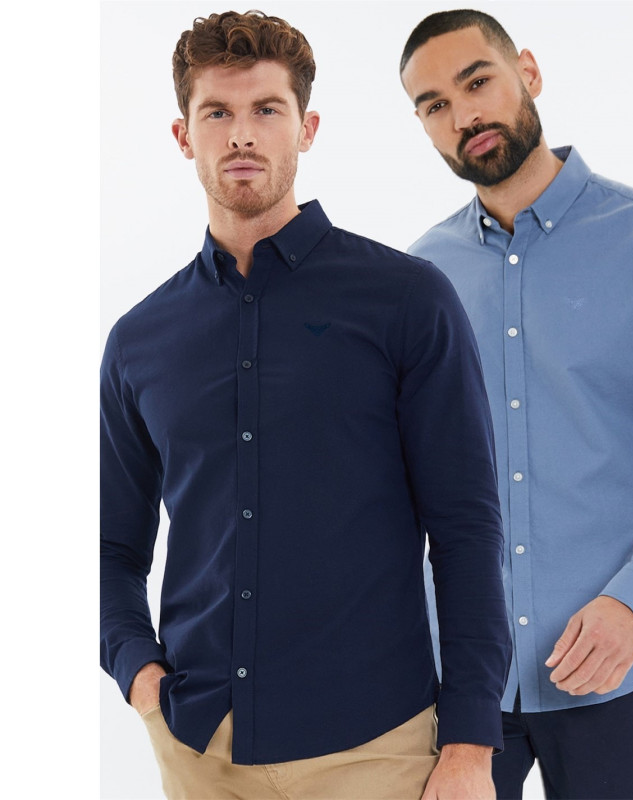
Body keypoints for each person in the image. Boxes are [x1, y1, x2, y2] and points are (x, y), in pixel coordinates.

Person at [100, 10, 511, 800]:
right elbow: (108, 550)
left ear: (307, 127)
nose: (241, 134)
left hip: (376, 749)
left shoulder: (407, 301)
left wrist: (469, 746)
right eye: (216, 113)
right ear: (183, 137)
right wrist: (138, 672)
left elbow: (465, 530)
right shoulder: (138, 340)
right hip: (200, 750)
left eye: (267, 109)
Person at [399, 10, 633, 800]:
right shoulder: (420, 278)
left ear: (527, 72)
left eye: (477, 82)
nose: (464, 116)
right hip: (459, 675)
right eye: (434, 105)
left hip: (613, 665)